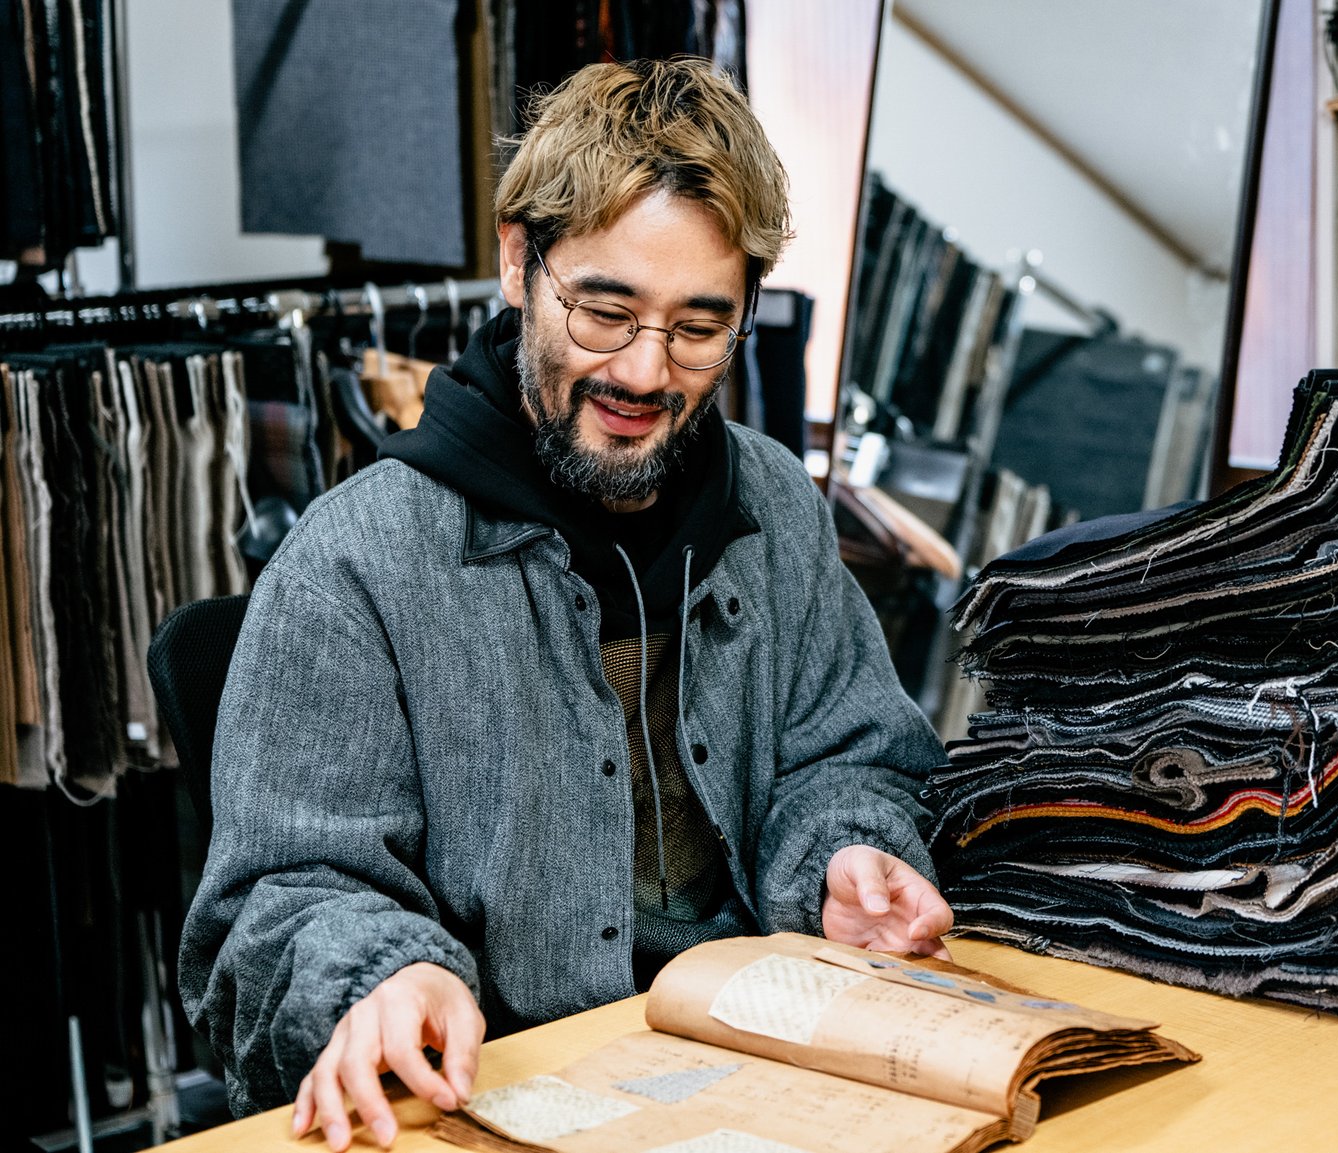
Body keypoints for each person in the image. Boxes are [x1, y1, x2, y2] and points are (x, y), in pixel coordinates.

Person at [179, 57, 952, 1151]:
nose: (645, 372)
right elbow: (275, 902)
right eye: (605, 308)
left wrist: (843, 854)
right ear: (517, 262)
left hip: (771, 1071)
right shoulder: (354, 565)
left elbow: (855, 752)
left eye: (699, 326)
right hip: (505, 1095)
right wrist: (385, 976)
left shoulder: (772, 501)